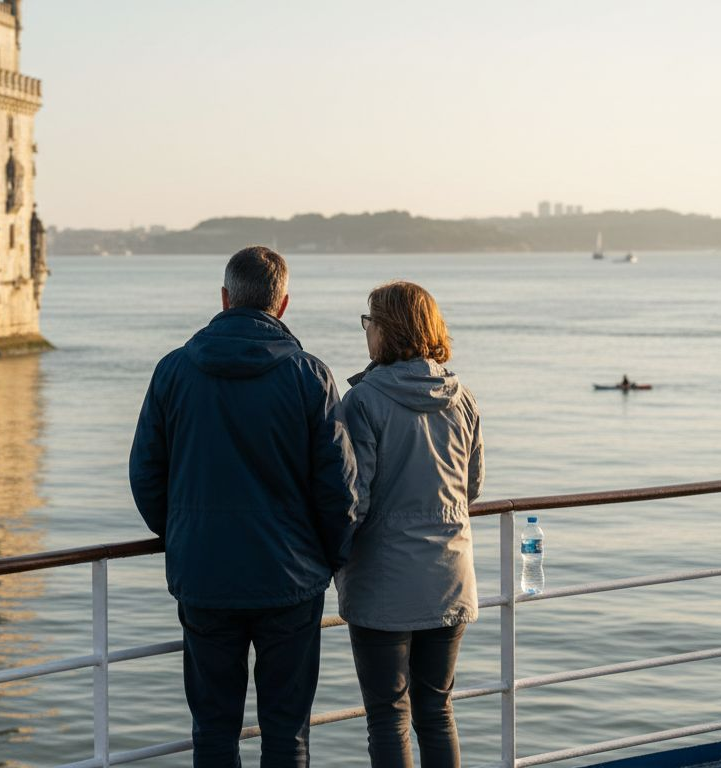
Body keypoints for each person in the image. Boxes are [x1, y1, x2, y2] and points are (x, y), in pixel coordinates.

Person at [129, 246, 358, 768]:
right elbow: (340, 489)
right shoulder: (310, 376)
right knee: (287, 734)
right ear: (282, 305)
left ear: (226, 298)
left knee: (212, 730)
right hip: (291, 581)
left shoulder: (173, 371)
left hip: (205, 575)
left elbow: (145, 473)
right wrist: (327, 557)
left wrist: (184, 535)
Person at [336, 281, 484, 768]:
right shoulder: (462, 399)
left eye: (369, 323)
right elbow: (471, 487)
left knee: (387, 716)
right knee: (437, 712)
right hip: (448, 578)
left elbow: (352, 500)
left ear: (385, 330)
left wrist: (331, 559)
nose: (366, 333)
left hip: (383, 586)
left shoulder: (363, 403)